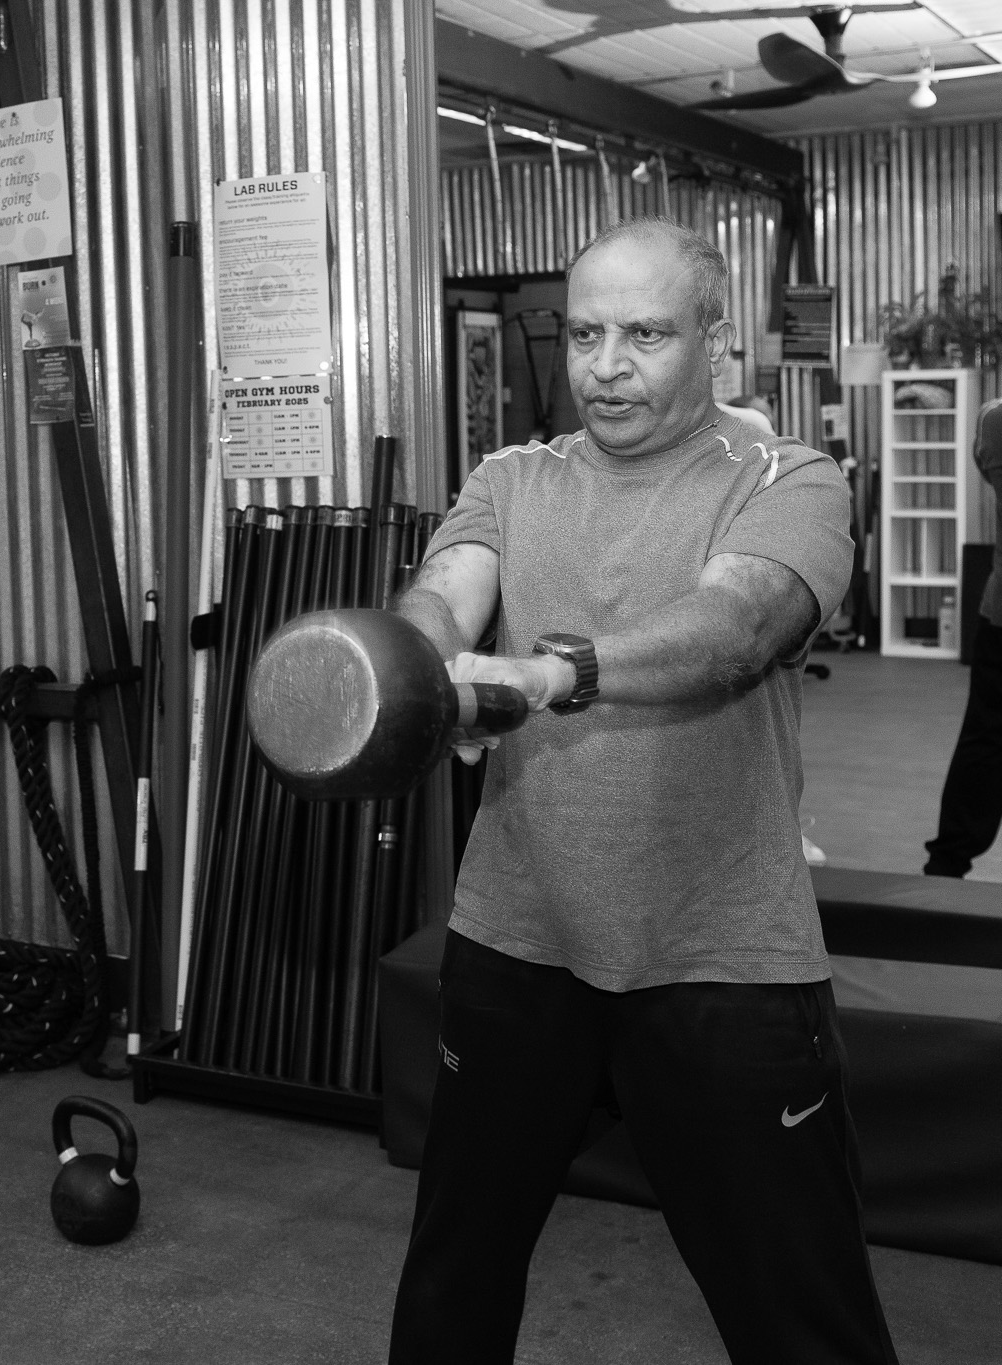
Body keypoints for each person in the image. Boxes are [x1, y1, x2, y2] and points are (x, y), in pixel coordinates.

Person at [386, 217, 898, 1364]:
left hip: (716, 955)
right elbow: (442, 592)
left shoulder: (786, 477)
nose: (604, 366)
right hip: (517, 940)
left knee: (799, 1315)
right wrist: (418, 669)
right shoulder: (511, 476)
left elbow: (736, 624)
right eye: (583, 334)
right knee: (450, 1284)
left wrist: (548, 672)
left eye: (644, 334)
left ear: (710, 343)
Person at [924, 397, 1002, 877]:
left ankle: (947, 863)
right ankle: (947, 862)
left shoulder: (994, 419)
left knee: (987, 738)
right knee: (987, 740)